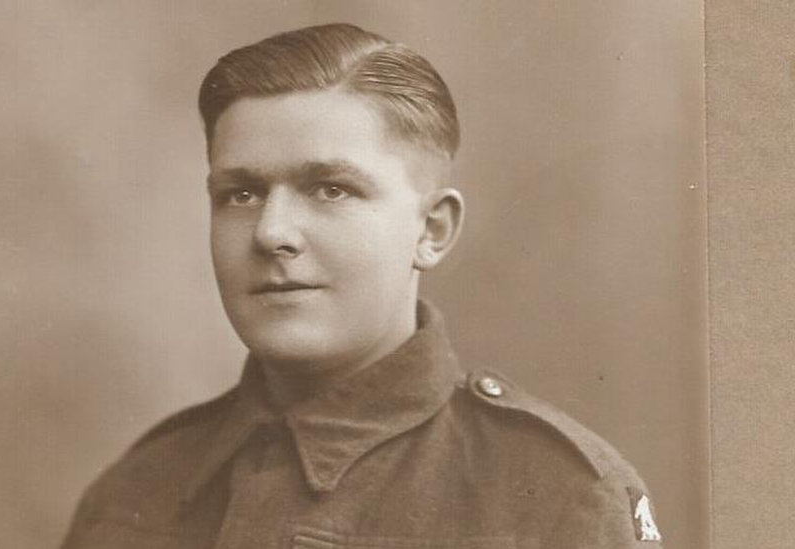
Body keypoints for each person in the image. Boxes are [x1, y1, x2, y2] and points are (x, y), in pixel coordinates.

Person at [61, 23, 663, 549]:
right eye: (240, 194)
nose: (271, 233)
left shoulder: (559, 496)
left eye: (331, 189)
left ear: (432, 230)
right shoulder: (137, 488)